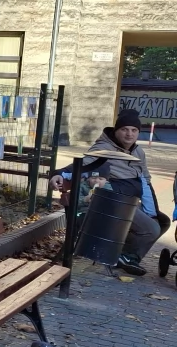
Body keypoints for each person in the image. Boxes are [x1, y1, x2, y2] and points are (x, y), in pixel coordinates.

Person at [49, 109, 169, 276]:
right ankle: (123, 256)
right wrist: (59, 174)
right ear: (116, 130)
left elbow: (145, 181)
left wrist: (152, 210)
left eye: (134, 130)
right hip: (112, 203)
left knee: (163, 221)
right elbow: (82, 166)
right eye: (124, 129)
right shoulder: (104, 149)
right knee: (151, 229)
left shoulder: (138, 152)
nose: (129, 134)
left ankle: (125, 255)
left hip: (129, 201)